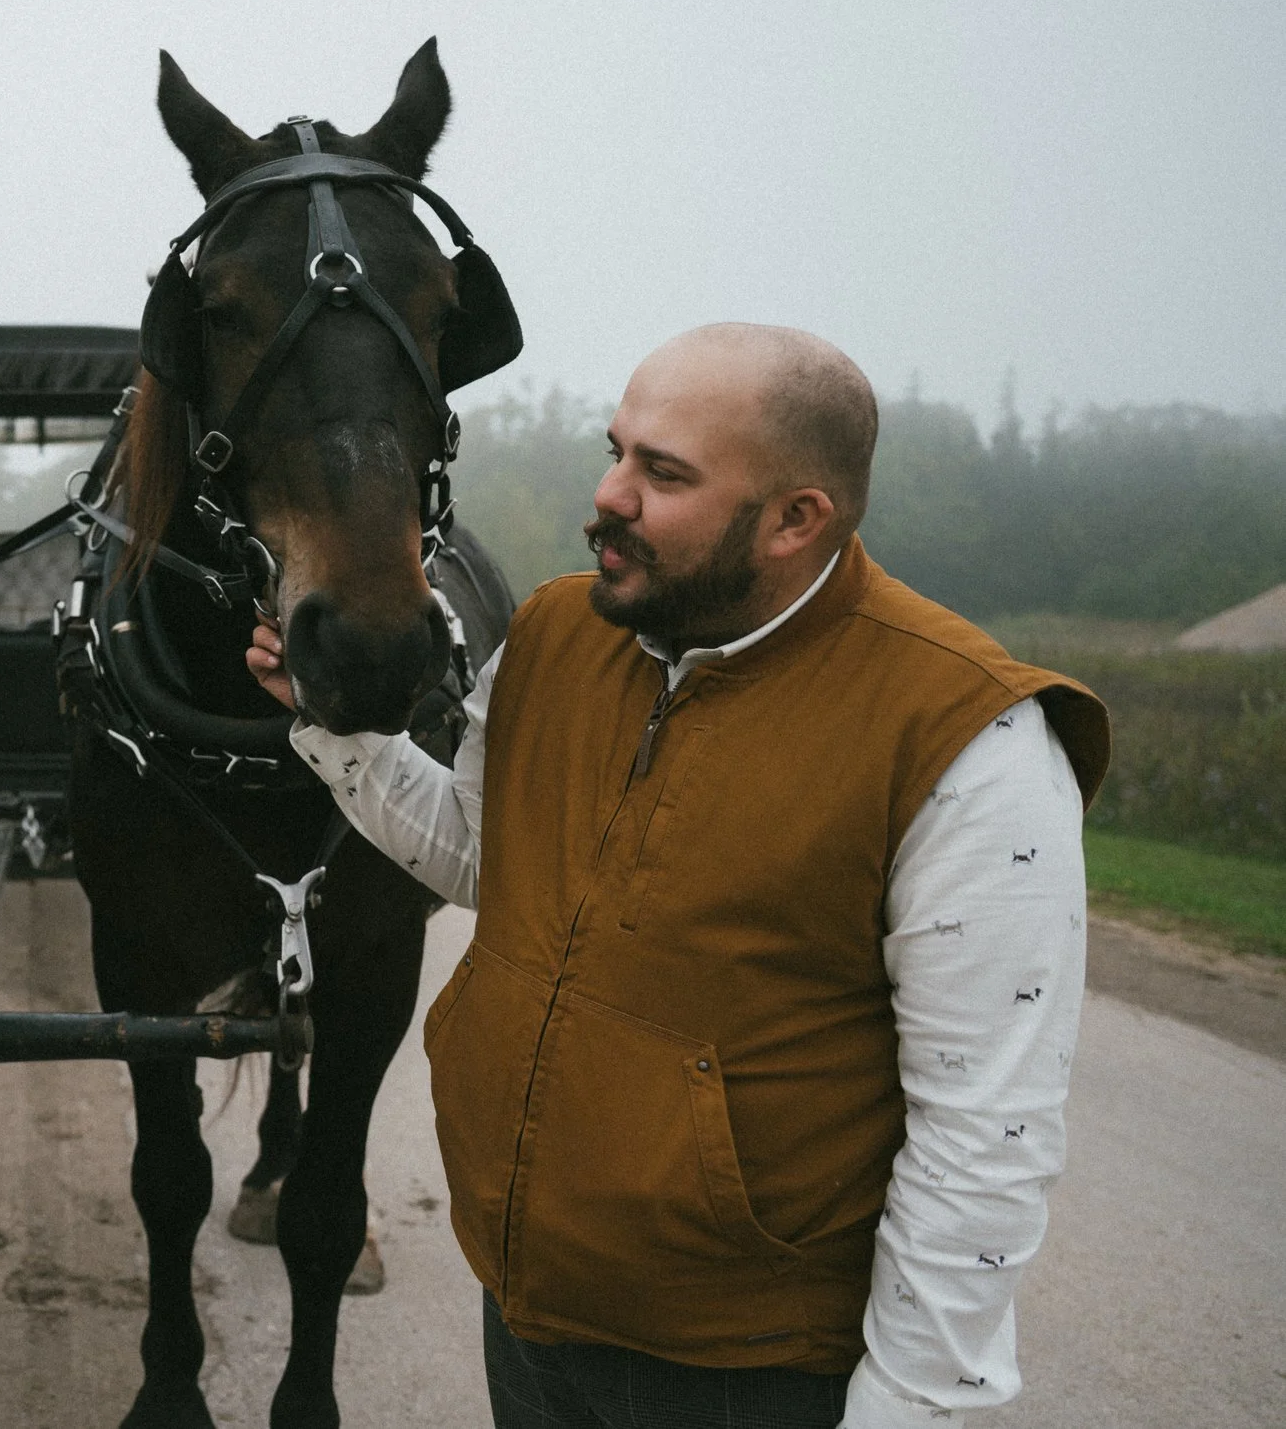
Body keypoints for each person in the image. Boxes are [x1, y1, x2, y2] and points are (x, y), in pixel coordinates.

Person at [246, 325, 1109, 1429]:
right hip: (528, 1316)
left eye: (662, 474)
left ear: (799, 518)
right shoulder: (558, 631)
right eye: (616, 451)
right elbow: (483, 853)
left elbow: (984, 1134)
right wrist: (338, 735)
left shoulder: (966, 741)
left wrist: (909, 1404)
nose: (606, 496)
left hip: (745, 1372)